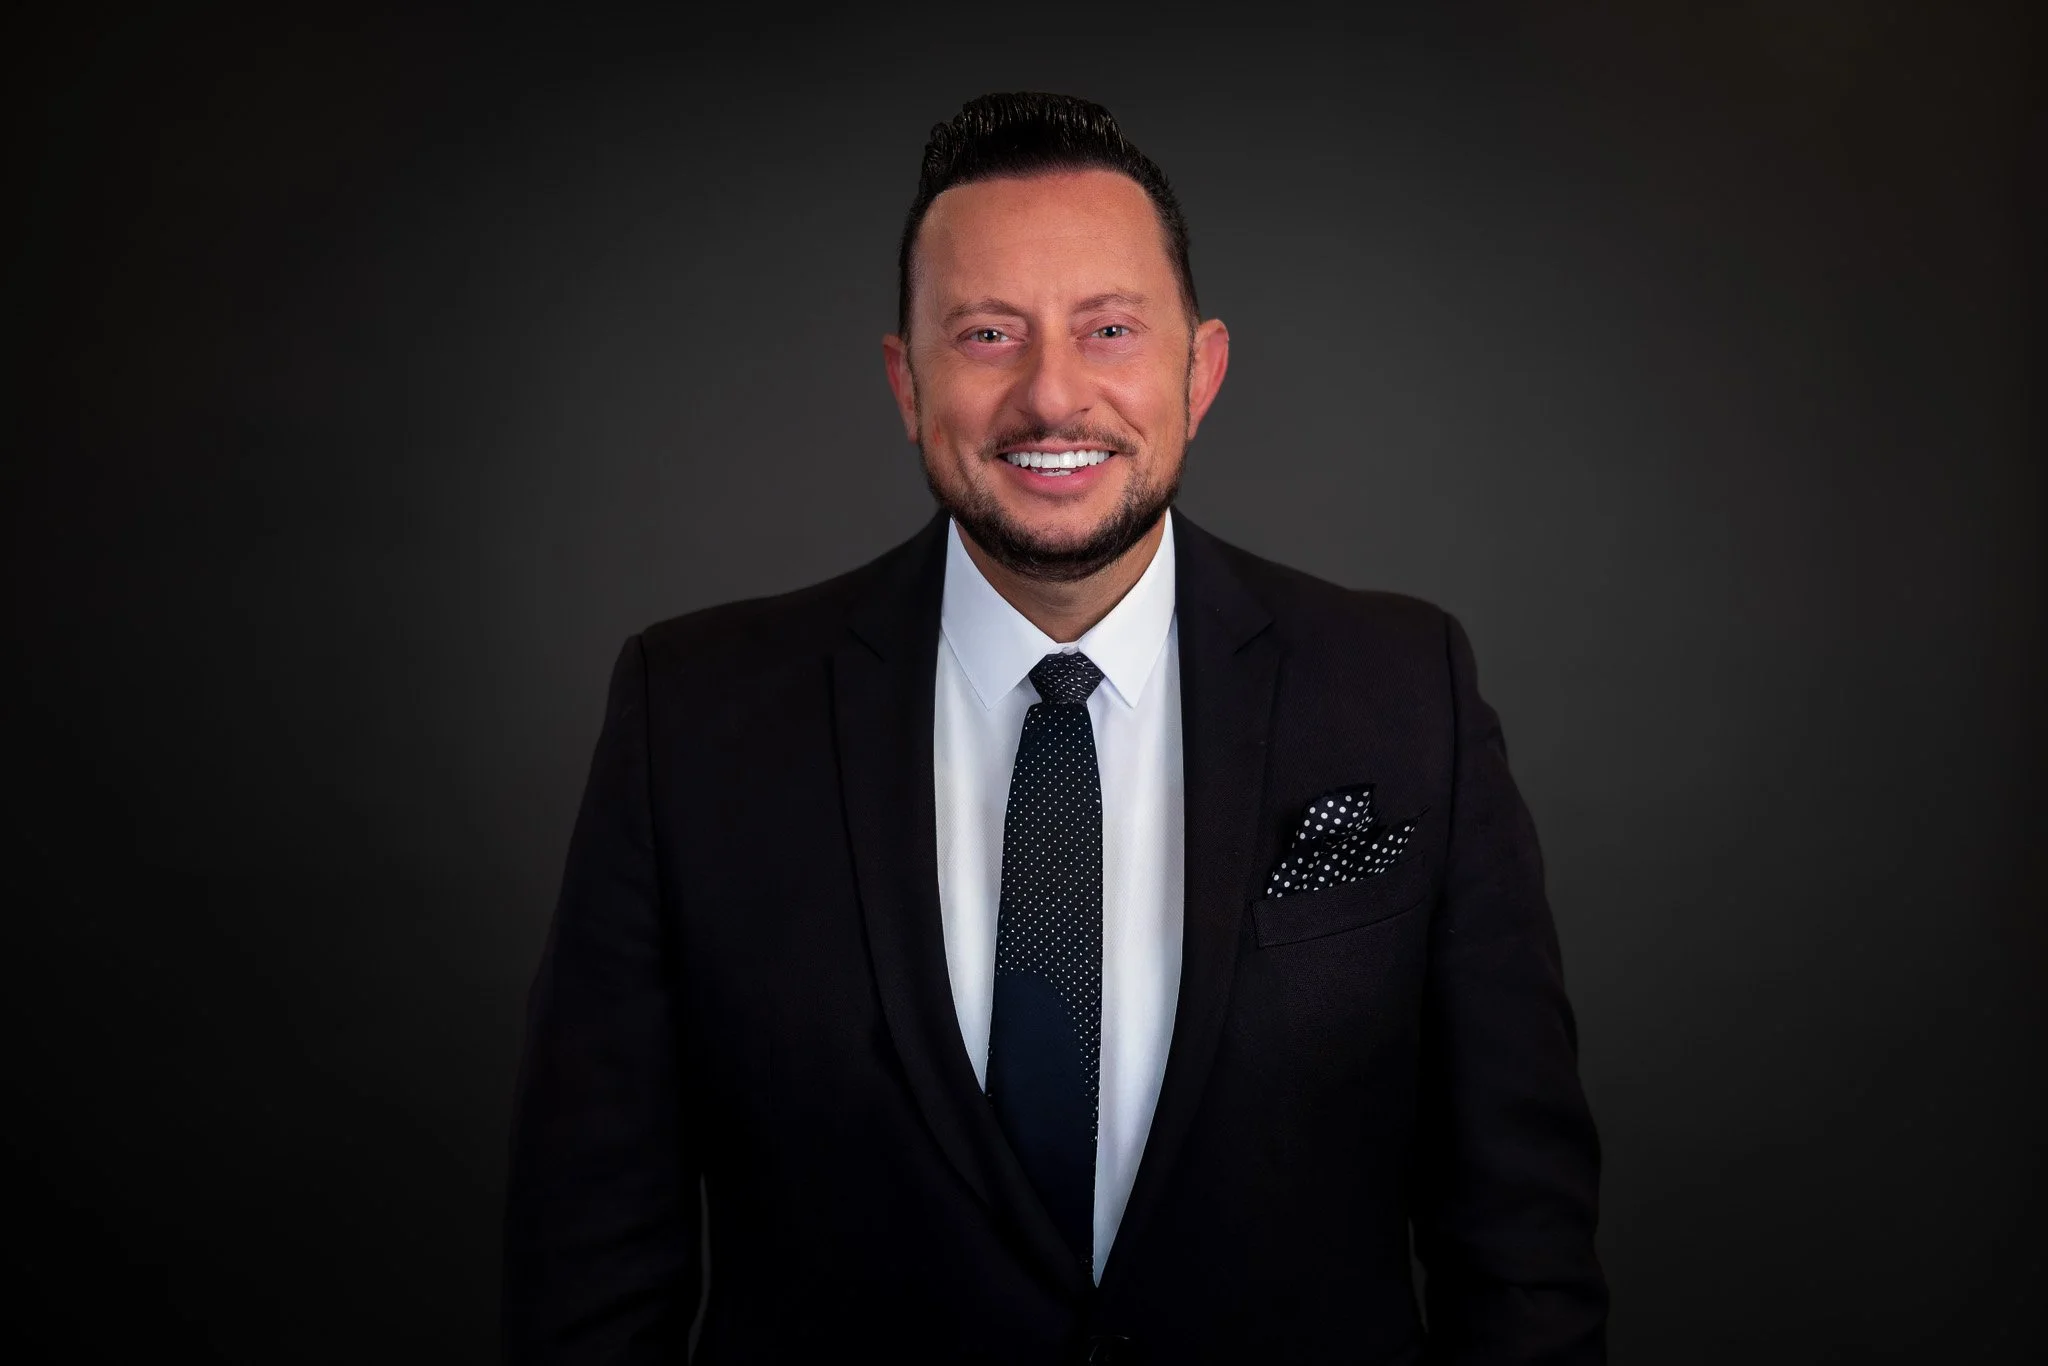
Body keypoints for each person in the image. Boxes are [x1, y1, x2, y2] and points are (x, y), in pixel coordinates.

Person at [504, 91, 1606, 1364]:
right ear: (904, 380)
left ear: (1199, 372)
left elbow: (1519, 1240)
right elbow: (589, 1263)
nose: (1051, 394)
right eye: (985, 333)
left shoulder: (1405, 690)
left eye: (1109, 328)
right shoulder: (688, 716)